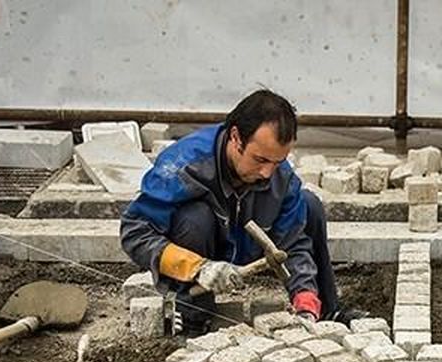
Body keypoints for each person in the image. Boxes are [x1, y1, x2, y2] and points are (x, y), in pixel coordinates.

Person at [120, 89, 364, 335]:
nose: (268, 173)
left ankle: (323, 310)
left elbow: (294, 246)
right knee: (194, 217)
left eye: (277, 162)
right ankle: (193, 317)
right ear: (236, 138)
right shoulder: (185, 166)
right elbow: (135, 231)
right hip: (203, 253)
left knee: (309, 204)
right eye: (260, 160)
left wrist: (305, 300)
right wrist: (197, 267)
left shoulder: (282, 178)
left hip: (248, 246)